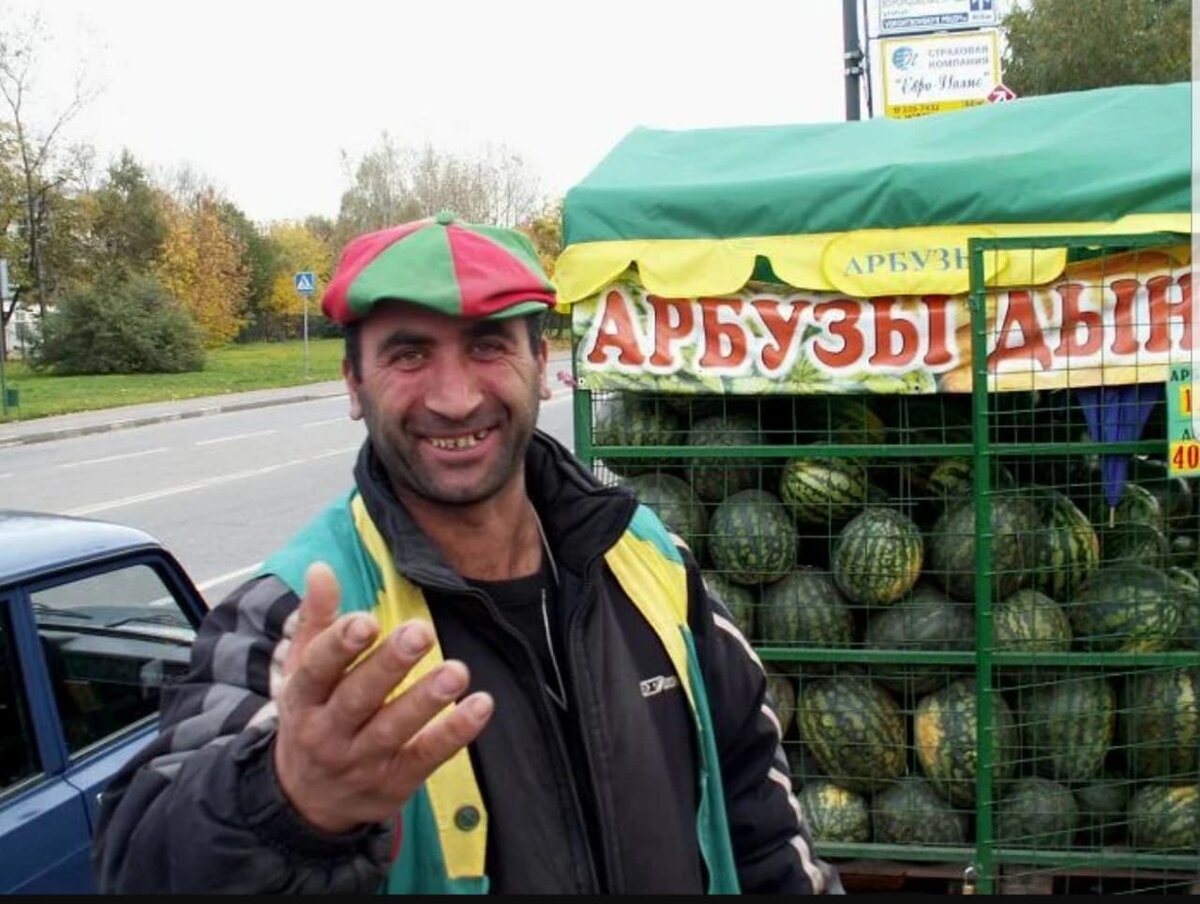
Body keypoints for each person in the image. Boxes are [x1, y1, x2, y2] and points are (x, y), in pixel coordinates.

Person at [92, 212, 843, 895]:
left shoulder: (650, 558)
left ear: (540, 363)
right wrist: (283, 803)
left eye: (488, 345)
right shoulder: (293, 616)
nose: (454, 399)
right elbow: (141, 861)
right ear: (353, 382)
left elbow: (758, 813)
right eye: (409, 354)